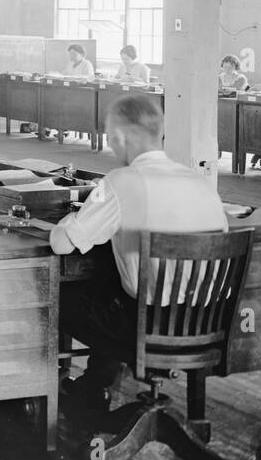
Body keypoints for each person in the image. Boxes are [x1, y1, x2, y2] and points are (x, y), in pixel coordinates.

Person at [46, 96, 227, 411]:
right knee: (112, 279)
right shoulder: (199, 183)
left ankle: (76, 393)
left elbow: (62, 244)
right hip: (207, 324)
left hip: (147, 328)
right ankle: (94, 384)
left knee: (59, 296)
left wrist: (69, 219)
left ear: (118, 137)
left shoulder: (120, 181)